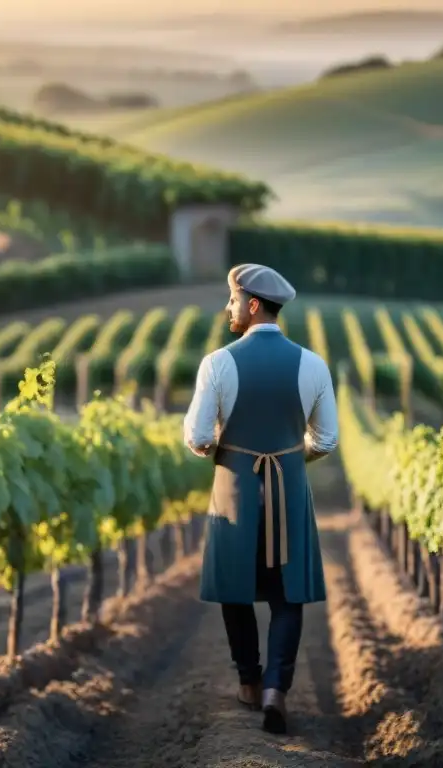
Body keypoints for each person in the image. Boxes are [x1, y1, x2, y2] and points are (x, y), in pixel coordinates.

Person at [183, 263, 338, 735]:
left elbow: (196, 435)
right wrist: (292, 457)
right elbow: (327, 439)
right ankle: (276, 689)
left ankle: (248, 682)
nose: (228, 308)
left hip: (235, 487)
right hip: (288, 485)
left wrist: (217, 449)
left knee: (236, 588)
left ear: (252, 305)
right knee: (287, 594)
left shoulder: (217, 363)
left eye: (232, 301)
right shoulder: (313, 364)